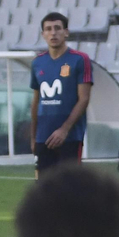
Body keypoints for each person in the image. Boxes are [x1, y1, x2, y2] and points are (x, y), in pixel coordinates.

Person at [29, 12, 92, 177]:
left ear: (66, 32)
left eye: (57, 28)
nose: (53, 33)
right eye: (48, 29)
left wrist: (64, 129)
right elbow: (36, 101)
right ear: (43, 35)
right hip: (44, 135)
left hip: (70, 136)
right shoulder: (37, 63)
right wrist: (34, 136)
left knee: (69, 188)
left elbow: (84, 99)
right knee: (43, 189)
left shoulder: (79, 60)